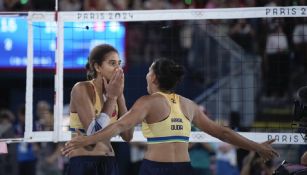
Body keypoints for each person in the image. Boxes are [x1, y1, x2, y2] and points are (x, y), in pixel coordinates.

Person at [63, 58, 279, 175]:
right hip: (185, 169)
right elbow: (222, 133)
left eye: (149, 71)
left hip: (156, 169)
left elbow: (119, 126)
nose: (146, 75)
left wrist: (86, 139)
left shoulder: (148, 102)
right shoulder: (188, 104)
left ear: (154, 77)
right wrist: (257, 147)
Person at [65, 44, 133, 175]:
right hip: (85, 163)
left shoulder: (116, 92)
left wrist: (119, 95)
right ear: (97, 67)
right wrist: (112, 98)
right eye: (112, 63)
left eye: (119, 63)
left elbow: (128, 136)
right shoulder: (82, 88)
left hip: (110, 163)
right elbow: (92, 134)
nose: (118, 69)